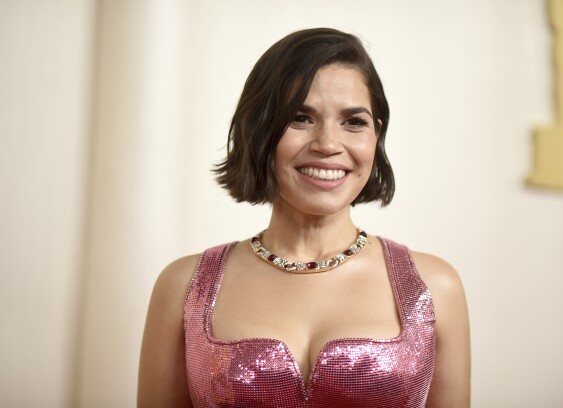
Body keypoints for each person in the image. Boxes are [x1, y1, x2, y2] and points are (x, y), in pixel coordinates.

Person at [138, 28, 470, 407]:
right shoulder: (184, 287)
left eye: (354, 122)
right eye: (301, 118)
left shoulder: (434, 287)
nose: (328, 144)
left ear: (376, 137)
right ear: (260, 131)